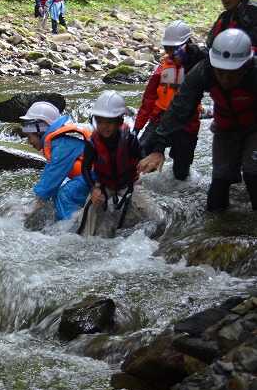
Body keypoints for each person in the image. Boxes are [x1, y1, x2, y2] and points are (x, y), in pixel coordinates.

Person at [139, 28, 257, 211]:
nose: (225, 79)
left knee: (253, 175)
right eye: (221, 72)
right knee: (218, 186)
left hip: (254, 128)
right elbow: (180, 106)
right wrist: (159, 147)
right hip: (225, 129)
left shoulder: (255, 72)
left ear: (245, 65)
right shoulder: (204, 70)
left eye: (232, 72)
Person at [78, 91, 162, 237]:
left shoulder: (129, 138)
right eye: (100, 121)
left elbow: (140, 152)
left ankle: (156, 238)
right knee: (87, 213)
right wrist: (93, 189)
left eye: (109, 122)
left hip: (129, 184)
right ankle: (84, 241)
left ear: (119, 122)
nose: (104, 126)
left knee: (156, 216)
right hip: (104, 185)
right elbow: (85, 168)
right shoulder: (92, 143)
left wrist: (146, 163)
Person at [135, 19, 205, 181]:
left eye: (175, 48)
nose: (172, 53)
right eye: (168, 48)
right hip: (160, 118)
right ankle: (139, 187)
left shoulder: (198, 69)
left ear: (187, 45)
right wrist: (137, 127)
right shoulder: (161, 70)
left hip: (187, 123)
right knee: (140, 152)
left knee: (181, 171)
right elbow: (148, 101)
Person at [20, 101, 92, 221]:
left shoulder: (61, 147)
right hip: (89, 177)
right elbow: (48, 175)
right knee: (56, 193)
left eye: (29, 137)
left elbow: (52, 179)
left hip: (96, 175)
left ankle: (70, 227)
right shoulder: (57, 144)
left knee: (64, 194)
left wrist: (36, 206)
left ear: (39, 131)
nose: (29, 142)